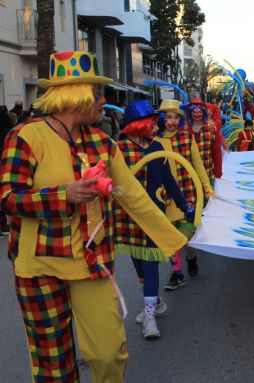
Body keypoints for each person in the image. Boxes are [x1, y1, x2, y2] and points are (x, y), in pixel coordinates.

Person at [0, 51, 187, 382]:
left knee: (109, 354)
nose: (104, 101)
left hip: (92, 263)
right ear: (76, 95)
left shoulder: (102, 142)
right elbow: (9, 198)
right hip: (39, 268)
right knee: (53, 366)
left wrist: (178, 238)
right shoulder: (25, 137)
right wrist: (64, 195)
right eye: (97, 94)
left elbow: (134, 198)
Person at [114, 100, 194, 338]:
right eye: (151, 122)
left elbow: (169, 180)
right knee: (138, 264)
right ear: (139, 124)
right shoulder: (118, 149)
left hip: (153, 215)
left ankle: (149, 315)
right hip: (127, 217)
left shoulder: (157, 147)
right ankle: (156, 302)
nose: (157, 126)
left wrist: (185, 205)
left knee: (150, 265)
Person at [155, 98, 215, 289]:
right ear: (162, 118)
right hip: (165, 196)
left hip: (188, 193)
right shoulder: (155, 141)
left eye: (176, 117)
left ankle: (191, 257)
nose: (172, 121)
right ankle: (177, 273)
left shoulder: (187, 138)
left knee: (186, 234)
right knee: (173, 235)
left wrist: (207, 188)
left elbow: (199, 166)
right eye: (168, 117)